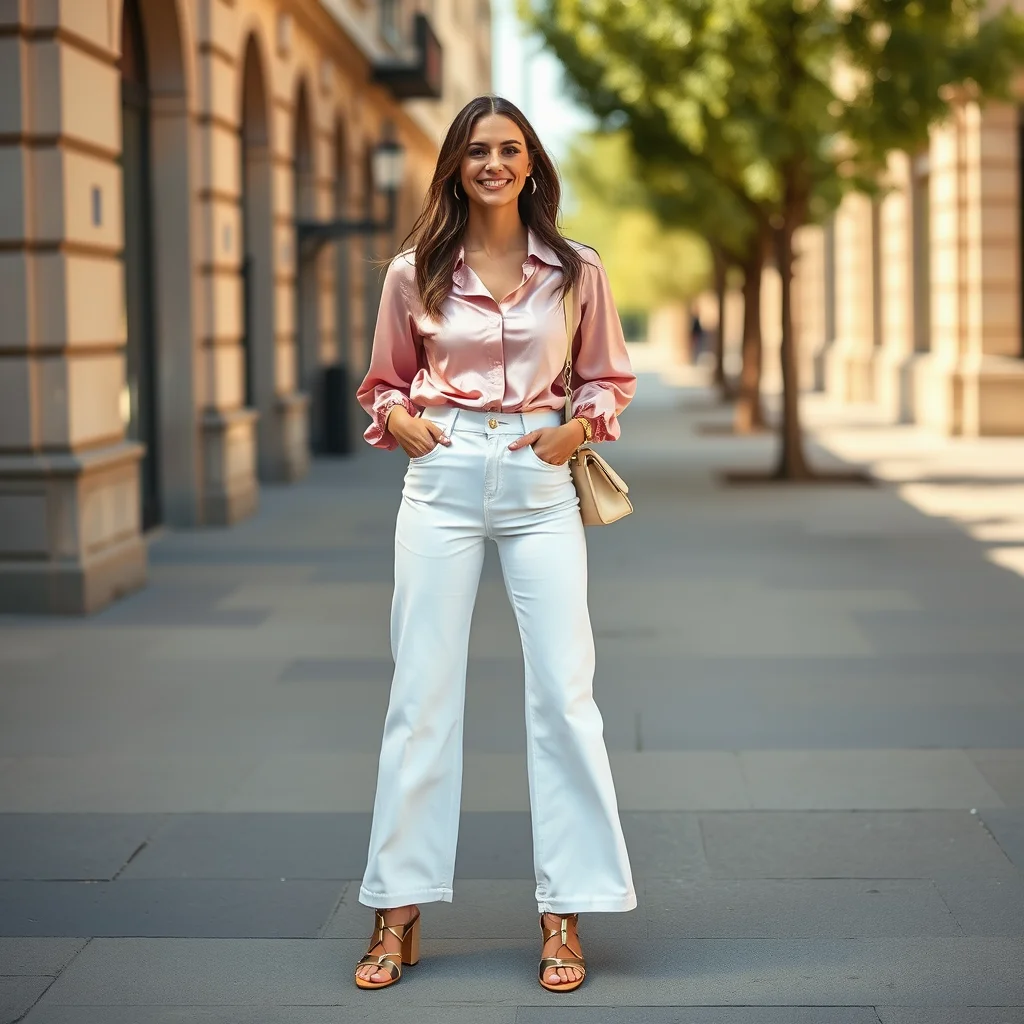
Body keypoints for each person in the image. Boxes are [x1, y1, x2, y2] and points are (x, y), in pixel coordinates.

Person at [353, 94, 637, 994]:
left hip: (538, 477)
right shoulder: (415, 271)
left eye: (509, 148)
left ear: (531, 162)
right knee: (420, 697)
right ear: (457, 164)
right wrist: (401, 421)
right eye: (478, 150)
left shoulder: (576, 268)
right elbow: (383, 383)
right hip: (439, 481)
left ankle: (566, 915)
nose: (494, 163)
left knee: (565, 695)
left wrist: (576, 429)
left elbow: (606, 378)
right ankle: (396, 915)